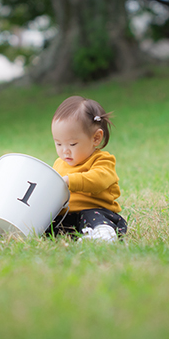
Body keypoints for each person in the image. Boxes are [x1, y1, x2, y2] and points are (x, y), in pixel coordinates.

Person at [47, 95, 127, 242]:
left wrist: (70, 180)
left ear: (96, 138)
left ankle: (102, 235)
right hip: (67, 217)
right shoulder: (59, 164)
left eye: (72, 144)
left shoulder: (102, 161)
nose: (65, 151)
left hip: (97, 212)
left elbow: (98, 180)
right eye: (58, 144)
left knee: (91, 217)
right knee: (47, 223)